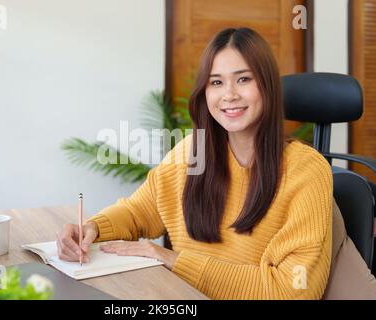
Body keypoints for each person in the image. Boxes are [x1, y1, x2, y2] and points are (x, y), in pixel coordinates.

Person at [57, 27, 333, 299]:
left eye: (243, 79)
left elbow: (293, 289)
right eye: (216, 82)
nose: (229, 95)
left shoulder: (307, 171)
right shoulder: (191, 153)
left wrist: (173, 260)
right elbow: (138, 211)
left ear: (267, 85)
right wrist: (92, 228)